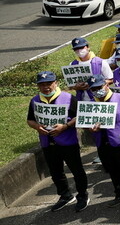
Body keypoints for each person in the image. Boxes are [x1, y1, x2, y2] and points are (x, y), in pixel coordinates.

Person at [27, 71, 89, 212]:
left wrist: (65, 126)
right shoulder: (35, 101)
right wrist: (37, 127)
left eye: (49, 83)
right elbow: (30, 120)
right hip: (47, 143)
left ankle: (82, 195)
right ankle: (65, 195)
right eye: (42, 85)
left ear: (56, 83)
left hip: (68, 141)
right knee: (55, 171)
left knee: (76, 169)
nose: (46, 87)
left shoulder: (68, 98)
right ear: (38, 86)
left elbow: (80, 116)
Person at [87, 74, 120, 205]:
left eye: (99, 87)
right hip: (103, 143)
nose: (97, 91)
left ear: (106, 84)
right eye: (93, 89)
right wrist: (90, 128)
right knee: (113, 170)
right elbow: (86, 123)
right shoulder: (90, 104)